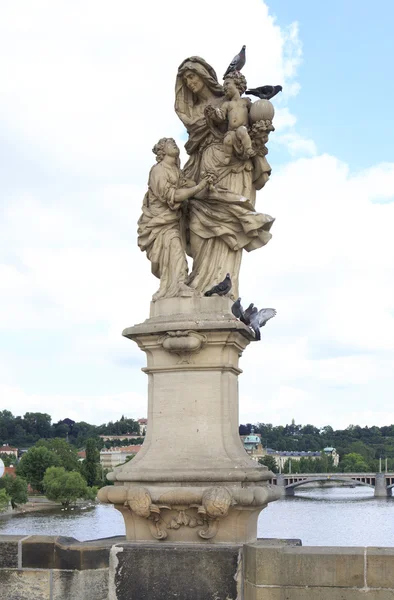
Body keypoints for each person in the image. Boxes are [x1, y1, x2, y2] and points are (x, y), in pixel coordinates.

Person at [175, 57, 274, 298]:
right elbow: (196, 142)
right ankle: (198, 283)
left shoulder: (230, 101)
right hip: (204, 168)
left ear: (205, 76)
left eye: (193, 77)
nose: (190, 83)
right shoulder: (196, 111)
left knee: (228, 226)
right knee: (197, 226)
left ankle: (222, 289)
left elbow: (253, 130)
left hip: (233, 169)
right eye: (185, 80)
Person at [138, 137, 213, 300]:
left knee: (175, 252)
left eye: (174, 142)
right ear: (162, 151)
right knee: (175, 252)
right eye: (169, 144)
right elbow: (172, 196)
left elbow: (189, 187)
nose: (174, 144)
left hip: (174, 221)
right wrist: (199, 187)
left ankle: (176, 286)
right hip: (161, 223)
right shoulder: (158, 170)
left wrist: (207, 183)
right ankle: (176, 287)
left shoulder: (177, 172)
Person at [208, 71, 255, 165]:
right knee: (227, 140)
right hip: (231, 131)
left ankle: (248, 148)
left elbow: (254, 112)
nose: (224, 88)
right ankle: (227, 157)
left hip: (243, 128)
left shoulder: (245, 101)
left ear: (237, 84)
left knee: (242, 131)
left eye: (227, 84)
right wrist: (215, 114)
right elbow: (221, 116)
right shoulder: (227, 104)